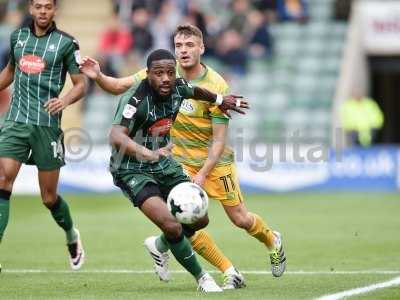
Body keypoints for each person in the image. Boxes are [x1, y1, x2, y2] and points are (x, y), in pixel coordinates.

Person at [80, 24, 286, 289]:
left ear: (202, 48)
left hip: (215, 162)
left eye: (190, 45)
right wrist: (97, 76)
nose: (184, 50)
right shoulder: (160, 72)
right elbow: (119, 85)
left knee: (240, 219)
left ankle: (272, 240)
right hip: (179, 160)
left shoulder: (215, 82)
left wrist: (203, 172)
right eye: (179, 46)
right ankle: (228, 270)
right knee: (186, 216)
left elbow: (219, 140)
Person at [108, 48, 247, 292]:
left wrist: (219, 101)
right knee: (172, 225)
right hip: (132, 169)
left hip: (164, 164)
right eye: (158, 73)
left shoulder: (178, 87)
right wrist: (148, 153)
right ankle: (203, 279)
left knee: (199, 218)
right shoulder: (136, 99)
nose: (165, 78)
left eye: (170, 73)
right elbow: (116, 137)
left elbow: (196, 91)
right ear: (148, 74)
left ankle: (159, 245)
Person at [0, 0, 86, 271]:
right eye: (38, 6)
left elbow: (81, 84)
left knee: (48, 197)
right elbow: (10, 72)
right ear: (30, 9)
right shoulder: (18, 37)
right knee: (3, 180)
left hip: (46, 125)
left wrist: (65, 100)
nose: (42, 11)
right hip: (15, 121)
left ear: (54, 10)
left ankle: (71, 233)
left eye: (48, 6)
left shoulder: (66, 43)